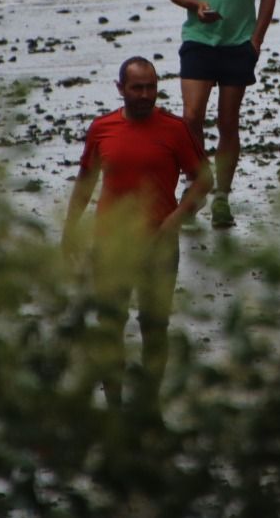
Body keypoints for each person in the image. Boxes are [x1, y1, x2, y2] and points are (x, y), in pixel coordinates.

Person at [63, 56, 212, 408]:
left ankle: (148, 405)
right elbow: (85, 181)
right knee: (110, 325)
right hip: (110, 243)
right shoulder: (102, 129)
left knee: (155, 326)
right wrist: (70, 228)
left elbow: (203, 181)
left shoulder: (175, 130)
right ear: (121, 89)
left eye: (151, 87)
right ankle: (114, 404)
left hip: (159, 244)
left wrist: (176, 218)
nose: (146, 95)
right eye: (137, 88)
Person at [165, 0, 279, 229]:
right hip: (199, 38)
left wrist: (256, 39)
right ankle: (195, 184)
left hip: (238, 42)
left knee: (228, 121)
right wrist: (196, 3)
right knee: (191, 117)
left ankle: (222, 197)